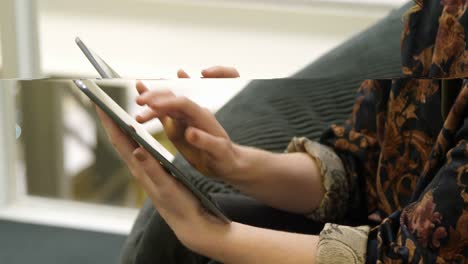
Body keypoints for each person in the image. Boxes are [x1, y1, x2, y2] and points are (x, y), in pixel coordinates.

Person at [98, 0, 468, 263]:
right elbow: (365, 166)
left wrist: (208, 234)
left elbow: (410, 254)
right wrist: (233, 161)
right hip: (387, 232)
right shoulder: (435, 15)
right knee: (173, 233)